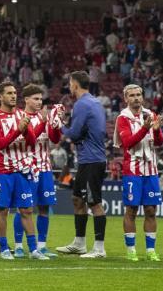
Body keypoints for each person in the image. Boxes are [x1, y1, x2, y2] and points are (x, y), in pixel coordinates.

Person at [0, 81, 47, 260]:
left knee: (27, 210)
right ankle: (4, 248)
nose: (13, 96)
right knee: (2, 211)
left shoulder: (21, 114)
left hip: (21, 171)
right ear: (0, 97)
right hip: (2, 171)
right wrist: (18, 130)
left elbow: (32, 142)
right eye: (9, 93)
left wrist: (27, 131)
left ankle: (34, 250)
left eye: (14, 93)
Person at [56, 71, 109, 258]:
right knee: (77, 199)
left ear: (75, 85)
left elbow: (74, 133)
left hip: (92, 160)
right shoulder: (95, 102)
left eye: (70, 83)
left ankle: (99, 248)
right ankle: (79, 244)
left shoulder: (82, 104)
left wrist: (59, 124)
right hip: (90, 159)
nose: (69, 87)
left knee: (94, 203)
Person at [114, 84, 163, 262]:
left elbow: (159, 142)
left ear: (143, 97)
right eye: (132, 95)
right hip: (132, 170)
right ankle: (131, 250)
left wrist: (156, 131)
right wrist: (145, 128)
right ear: (126, 99)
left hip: (151, 170)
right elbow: (127, 142)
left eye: (139, 95)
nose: (136, 98)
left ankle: (150, 251)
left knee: (151, 210)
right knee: (132, 210)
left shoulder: (151, 115)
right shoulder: (123, 118)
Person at [12, 85, 62, 258]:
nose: (39, 102)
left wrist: (56, 125)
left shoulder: (46, 117)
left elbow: (55, 140)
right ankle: (18, 245)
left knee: (44, 208)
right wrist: (43, 121)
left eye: (41, 99)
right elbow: (29, 141)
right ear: (26, 100)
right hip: (27, 169)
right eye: (35, 98)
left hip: (45, 168)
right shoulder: (19, 116)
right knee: (24, 209)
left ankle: (42, 246)